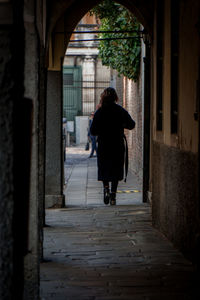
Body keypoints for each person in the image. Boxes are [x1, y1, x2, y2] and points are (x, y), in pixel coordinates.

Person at [90, 87, 135, 205]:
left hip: (104, 145)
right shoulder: (120, 110)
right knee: (116, 168)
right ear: (115, 97)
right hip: (117, 145)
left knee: (104, 168)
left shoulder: (99, 112)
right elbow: (132, 124)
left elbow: (93, 131)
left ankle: (106, 188)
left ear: (103, 97)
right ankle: (113, 195)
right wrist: (121, 125)